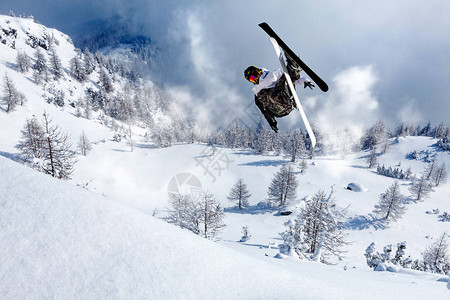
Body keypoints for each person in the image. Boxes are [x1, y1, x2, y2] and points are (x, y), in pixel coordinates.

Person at [244, 56, 314, 133]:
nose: (255, 78)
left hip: (285, 97)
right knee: (263, 94)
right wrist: (272, 122)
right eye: (252, 79)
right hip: (278, 110)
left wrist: (304, 81)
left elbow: (289, 80)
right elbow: (264, 110)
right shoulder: (257, 92)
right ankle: (289, 92)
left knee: (284, 79)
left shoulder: (273, 74)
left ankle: (293, 67)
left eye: (255, 74)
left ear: (259, 71)